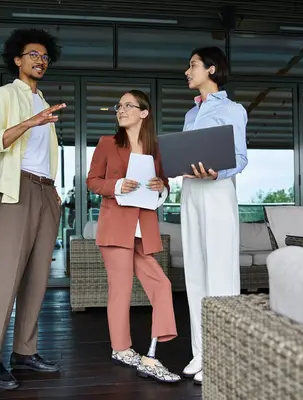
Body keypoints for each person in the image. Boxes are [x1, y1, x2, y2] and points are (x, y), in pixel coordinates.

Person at [0, 28, 67, 390]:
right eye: (33, 55)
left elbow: (44, 155)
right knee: (6, 277)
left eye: (45, 57)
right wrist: (29, 122)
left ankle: (24, 352)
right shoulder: (6, 94)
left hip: (46, 193)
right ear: (17, 59)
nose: (40, 61)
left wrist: (55, 193)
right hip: (18, 192)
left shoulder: (43, 99)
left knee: (37, 278)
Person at [86, 90, 181, 384]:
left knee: (162, 285)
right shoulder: (107, 144)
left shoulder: (155, 149)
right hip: (115, 228)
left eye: (129, 105)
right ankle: (121, 349)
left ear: (144, 112)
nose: (121, 110)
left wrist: (160, 187)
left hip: (143, 230)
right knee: (121, 290)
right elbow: (92, 181)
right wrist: (116, 186)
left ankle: (152, 352)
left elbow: (164, 185)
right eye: (119, 106)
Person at [180, 46, 248, 385]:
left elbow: (239, 157)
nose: (187, 71)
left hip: (218, 191)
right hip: (190, 191)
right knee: (195, 273)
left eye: (192, 65)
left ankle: (223, 356)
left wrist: (216, 173)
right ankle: (201, 353)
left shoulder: (233, 109)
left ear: (211, 69)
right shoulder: (191, 115)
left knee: (220, 274)